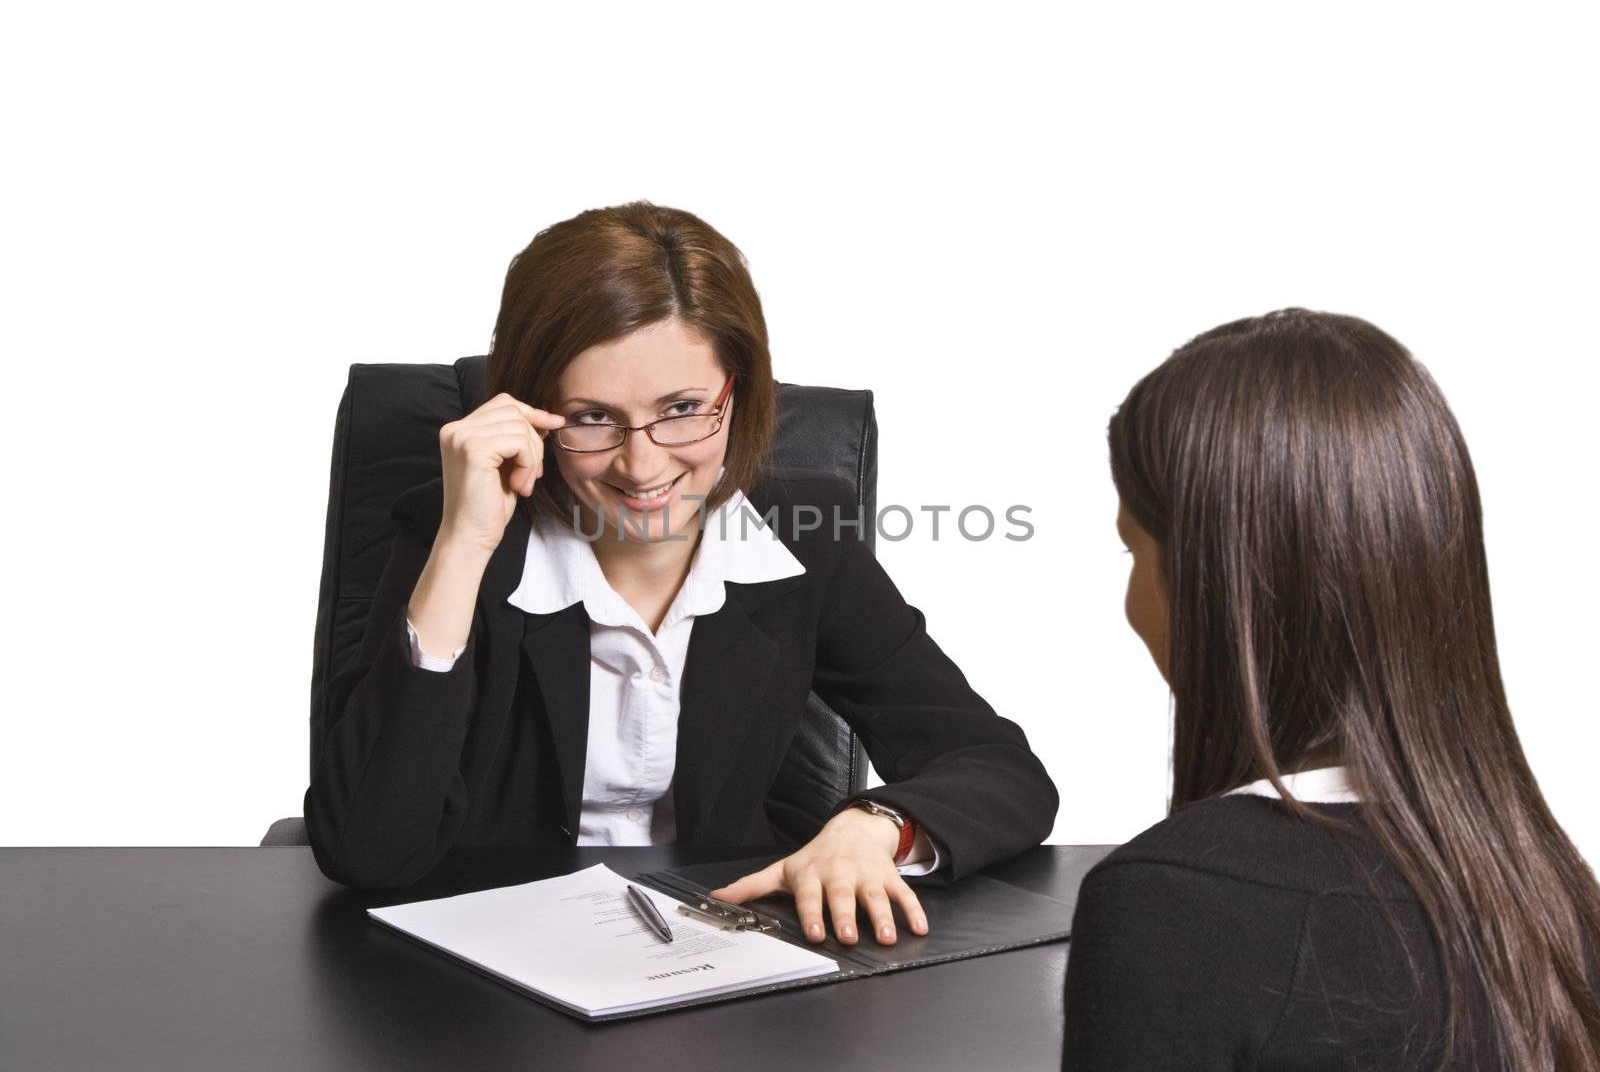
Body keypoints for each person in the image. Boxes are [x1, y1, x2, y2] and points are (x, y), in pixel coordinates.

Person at [304, 201, 1058, 948]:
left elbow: (997, 766)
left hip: (720, 960)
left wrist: (876, 828)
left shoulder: (800, 540)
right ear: (533, 409)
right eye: (591, 416)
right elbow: (370, 847)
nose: (644, 463)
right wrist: (462, 546)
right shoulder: (461, 533)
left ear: (740, 389)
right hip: (481, 982)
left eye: (684, 407)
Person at [1062, 309, 1600, 1069]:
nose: (1130, 601)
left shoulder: (1172, 903)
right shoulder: (1547, 890)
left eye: (1133, 549)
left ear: (1214, 586)